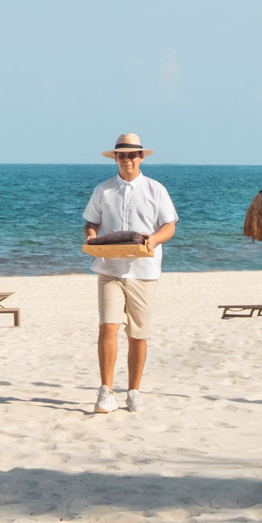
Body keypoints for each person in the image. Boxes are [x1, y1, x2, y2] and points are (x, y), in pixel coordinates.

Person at [82, 131, 177, 415]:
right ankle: (106, 391)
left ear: (140, 158)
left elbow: (169, 226)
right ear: (116, 158)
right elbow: (91, 222)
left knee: (137, 334)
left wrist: (155, 240)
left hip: (144, 271)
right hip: (109, 268)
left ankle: (133, 391)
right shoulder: (103, 190)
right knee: (107, 327)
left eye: (132, 155)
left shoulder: (155, 189)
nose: (127, 160)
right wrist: (91, 237)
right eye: (121, 155)